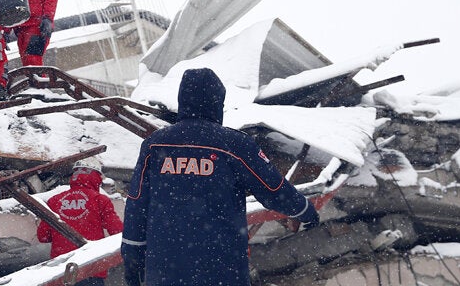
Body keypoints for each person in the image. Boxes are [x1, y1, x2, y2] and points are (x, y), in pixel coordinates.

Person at [121, 68, 320, 286]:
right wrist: (305, 211)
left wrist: (132, 260)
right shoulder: (235, 145)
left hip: (166, 268)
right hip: (221, 267)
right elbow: (273, 189)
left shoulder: (155, 144)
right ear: (216, 102)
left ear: (183, 99)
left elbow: (137, 204)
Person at [37, 157, 124, 286]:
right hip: (91, 270)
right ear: (95, 177)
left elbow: (43, 236)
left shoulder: (54, 201)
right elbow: (117, 233)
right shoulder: (100, 200)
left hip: (61, 273)